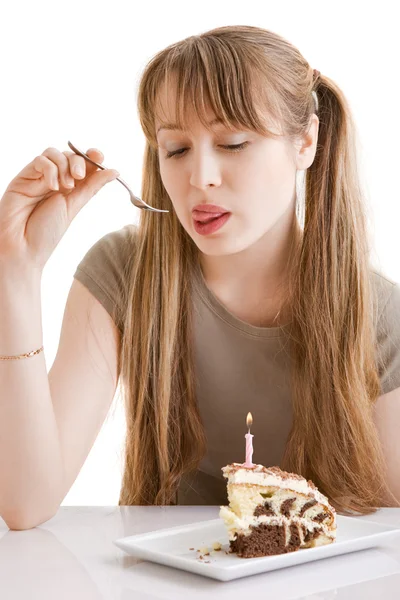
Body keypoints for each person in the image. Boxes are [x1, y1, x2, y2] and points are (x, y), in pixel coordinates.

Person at [1, 25, 399, 531]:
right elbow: (25, 504)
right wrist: (17, 269)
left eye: (233, 143)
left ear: (305, 142)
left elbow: (389, 543)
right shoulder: (123, 272)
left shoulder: (380, 315)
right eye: (177, 149)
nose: (200, 177)